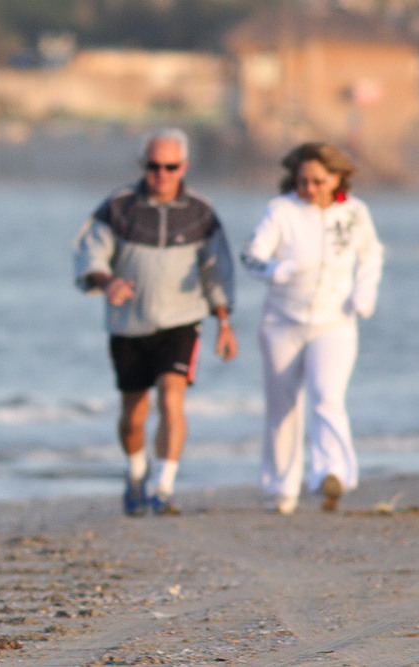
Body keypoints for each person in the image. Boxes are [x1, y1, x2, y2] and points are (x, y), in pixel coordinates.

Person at [73, 127, 238, 517]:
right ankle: (135, 475)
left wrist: (224, 322)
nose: (161, 175)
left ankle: (163, 487)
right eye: (153, 167)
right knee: (133, 414)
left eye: (170, 167)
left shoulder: (201, 212)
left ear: (184, 166)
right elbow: (89, 256)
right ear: (143, 166)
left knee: (171, 395)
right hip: (128, 324)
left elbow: (217, 269)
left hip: (182, 319)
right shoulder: (118, 207)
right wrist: (107, 281)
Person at [241, 142, 383, 515]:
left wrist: (364, 292)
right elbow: (251, 257)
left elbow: (371, 253)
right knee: (282, 406)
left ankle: (330, 473)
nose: (310, 188)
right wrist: (275, 270)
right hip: (282, 322)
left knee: (327, 397)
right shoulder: (281, 211)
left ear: (337, 178)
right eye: (302, 181)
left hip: (334, 322)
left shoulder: (354, 213)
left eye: (318, 181)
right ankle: (282, 487)